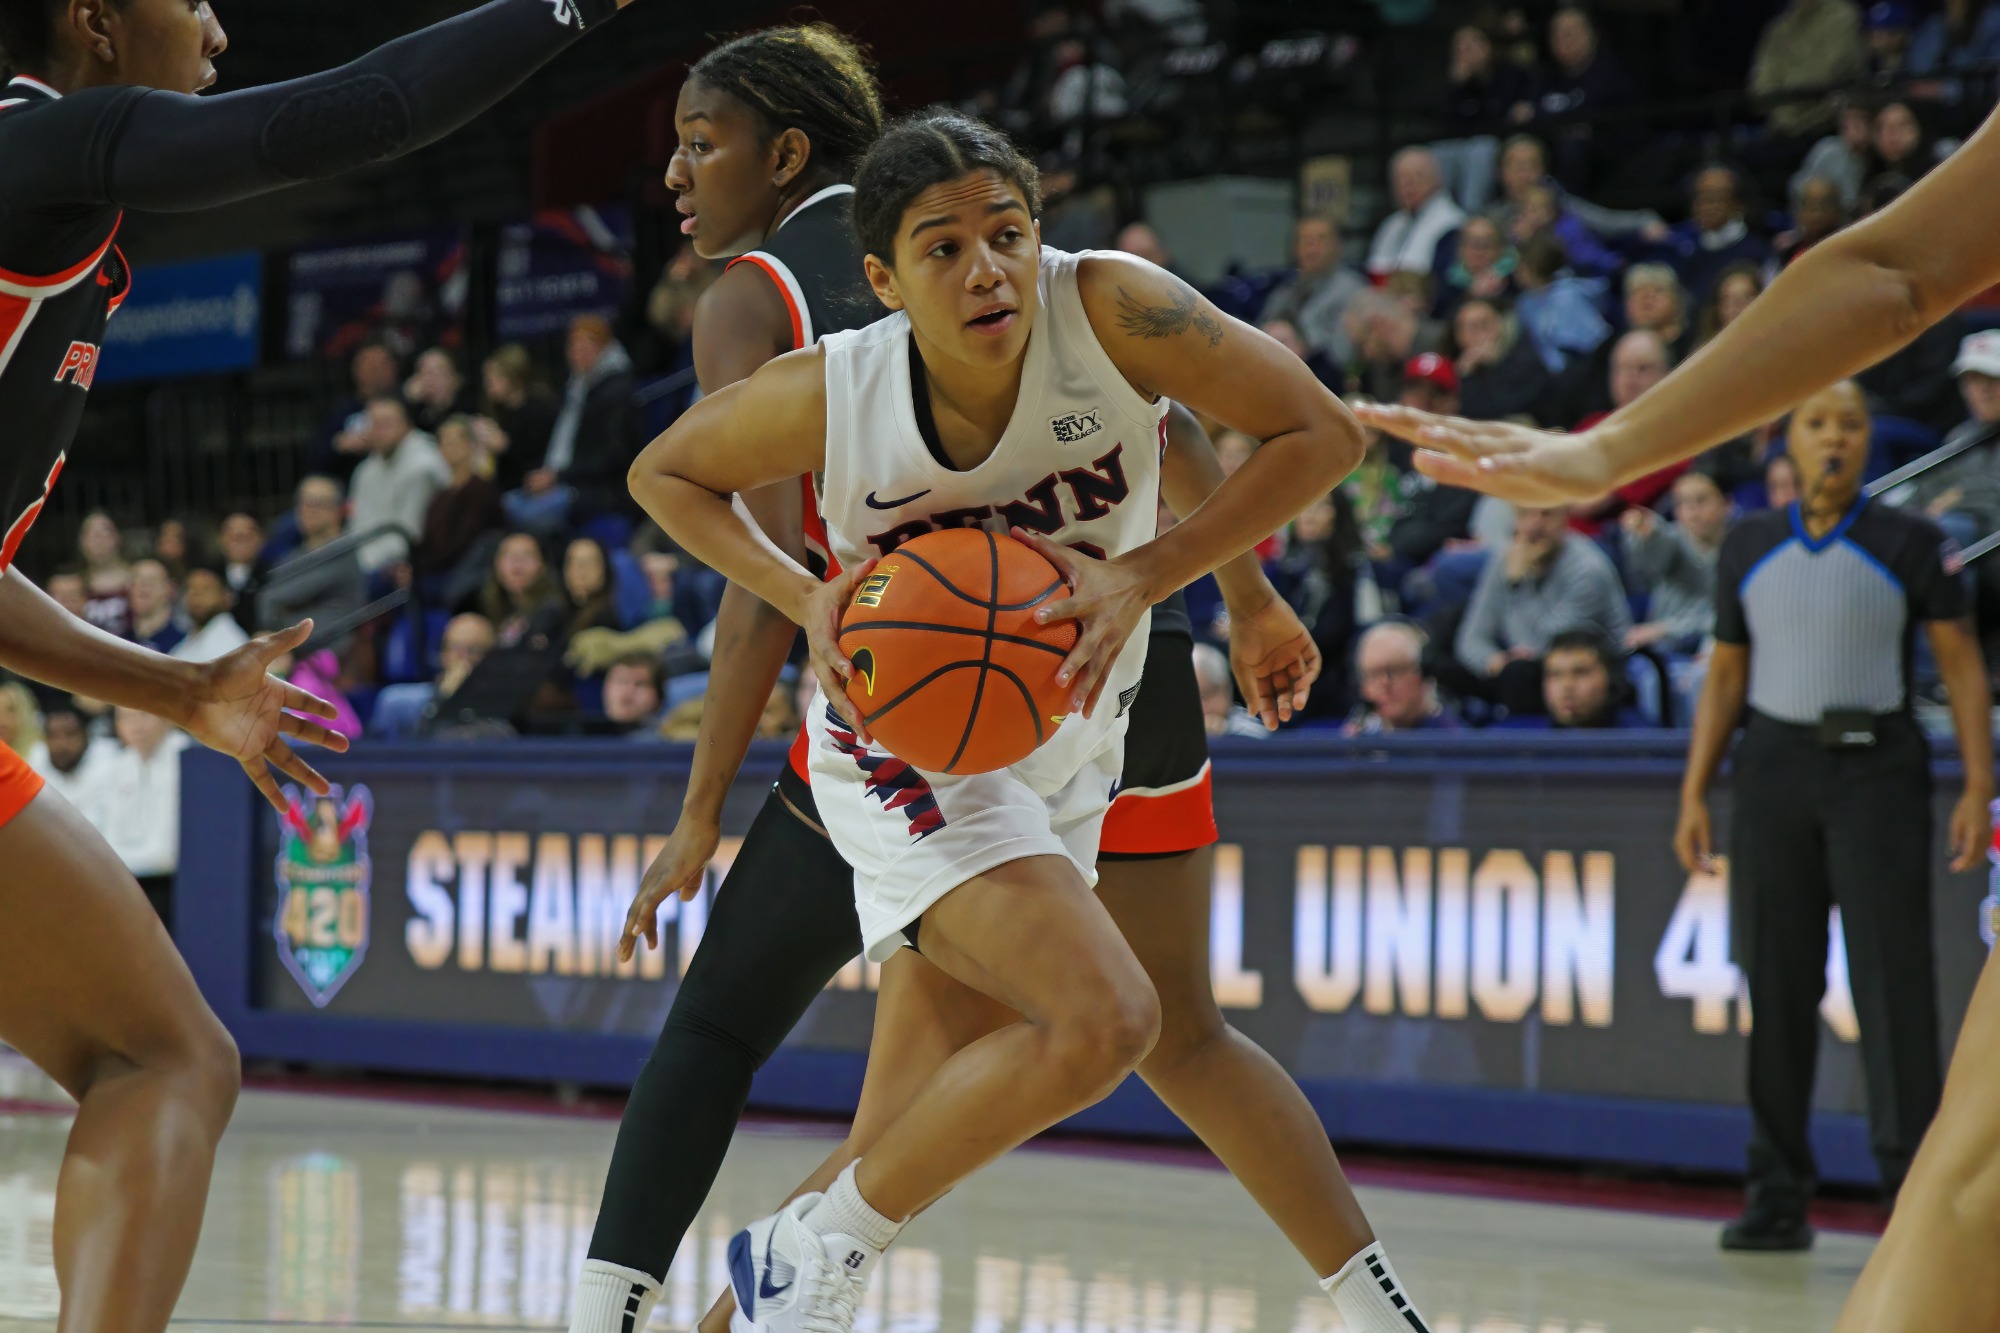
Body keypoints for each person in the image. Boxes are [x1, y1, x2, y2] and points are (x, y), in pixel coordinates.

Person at [573, 40, 1396, 1333]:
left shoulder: (1099, 306)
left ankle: (782, 1275)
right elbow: (682, 489)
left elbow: (1216, 427)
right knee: (1115, 1018)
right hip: (910, 718)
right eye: (948, 250)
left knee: (957, 1081)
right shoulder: (807, 344)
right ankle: (738, 1271)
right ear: (886, 278)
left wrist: (1193, 580)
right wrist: (803, 608)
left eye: (1006, 236)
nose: (986, 268)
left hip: (1084, 697)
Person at [1675, 380, 1992, 1250]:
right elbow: (1727, 677)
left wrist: (1975, 783)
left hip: (1878, 770)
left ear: (1866, 441)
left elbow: (1962, 670)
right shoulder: (1746, 544)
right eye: (1818, 424)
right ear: (1789, 441)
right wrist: (1695, 788)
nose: (1835, 440)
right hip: (1775, 768)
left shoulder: (1913, 541)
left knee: (1895, 986)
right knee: (1777, 984)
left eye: (1851, 424)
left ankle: (1912, 1197)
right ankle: (1776, 1192)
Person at [1454, 503, 1631, 712]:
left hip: (1592, 674)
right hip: (1526, 671)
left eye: (1546, 514)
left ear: (1565, 517)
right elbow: (1470, 639)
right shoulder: (1505, 559)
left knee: (1520, 674)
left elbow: (1542, 644)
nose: (1534, 524)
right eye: (1524, 514)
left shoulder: (1588, 569)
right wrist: (1494, 662)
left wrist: (1516, 584)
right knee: (1440, 664)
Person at [502, 315, 639, 535]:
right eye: (575, 345)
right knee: (505, 505)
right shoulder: (575, 388)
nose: (580, 352)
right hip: (565, 480)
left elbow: (613, 456)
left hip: (597, 490)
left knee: (524, 516)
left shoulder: (616, 392)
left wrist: (559, 476)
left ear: (604, 349)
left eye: (588, 345)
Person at [1622, 469, 1732, 652]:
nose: (1693, 512)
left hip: (1713, 645)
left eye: (1701, 500)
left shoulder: (1739, 550)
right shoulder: (1671, 540)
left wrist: (1667, 630)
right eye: (1683, 503)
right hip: (1667, 649)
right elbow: (1649, 558)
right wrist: (1645, 534)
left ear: (1726, 504)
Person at [100, 706, 189, 922]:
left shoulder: (185, 758)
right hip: (128, 879)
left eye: (145, 715)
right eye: (126, 717)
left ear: (167, 717)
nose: (136, 725)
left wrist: (113, 864)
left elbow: (165, 855)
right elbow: (108, 837)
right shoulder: (117, 765)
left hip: (174, 884)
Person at [348, 395, 449, 573]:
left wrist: (363, 568)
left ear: (406, 425)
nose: (377, 430)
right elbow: (357, 525)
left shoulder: (423, 466)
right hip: (361, 561)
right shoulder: (366, 469)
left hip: (402, 565)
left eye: (385, 423)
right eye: (373, 423)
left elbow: (409, 535)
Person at [410, 414, 507, 596]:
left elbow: (468, 542)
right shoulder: (440, 495)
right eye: (444, 442)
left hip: (462, 572)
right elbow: (427, 539)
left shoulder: (482, 491)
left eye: (454, 441)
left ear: (471, 445)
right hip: (434, 570)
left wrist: (423, 567)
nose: (448, 448)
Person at [257, 476, 366, 635]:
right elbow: (269, 598)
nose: (308, 509)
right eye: (303, 502)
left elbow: (275, 597)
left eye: (318, 503)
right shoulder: (294, 554)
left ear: (337, 510)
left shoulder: (343, 551)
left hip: (333, 649)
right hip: (295, 645)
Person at [1749, 0, 1865, 142]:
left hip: (1826, 127)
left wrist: (1784, 94)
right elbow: (1760, 85)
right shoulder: (1779, 28)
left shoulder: (1842, 16)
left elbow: (1824, 75)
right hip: (1780, 128)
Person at [369, 611, 497, 740]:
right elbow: (423, 738)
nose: (462, 658)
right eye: (455, 648)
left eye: (473, 650)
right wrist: (442, 698)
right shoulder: (401, 704)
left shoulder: (501, 700)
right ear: (443, 655)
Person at [1258, 215, 1365, 363]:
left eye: (1321, 239)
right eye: (1305, 240)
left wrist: (1301, 343)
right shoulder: (1285, 291)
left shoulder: (1353, 291)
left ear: (1338, 245)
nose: (1311, 247)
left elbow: (1344, 353)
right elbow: (1259, 335)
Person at [1659, 165, 1771, 303]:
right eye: (1700, 197)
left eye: (1716, 197)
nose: (1707, 205)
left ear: (1738, 203)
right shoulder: (1688, 253)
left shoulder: (1758, 252)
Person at [1512, 231, 1609, 373]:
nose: (1516, 270)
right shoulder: (1525, 303)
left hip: (1579, 373)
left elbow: (1592, 345)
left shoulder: (1568, 298)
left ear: (1533, 267)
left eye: (1522, 264)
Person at [1446, 296, 1550, 423]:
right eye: (1469, 327)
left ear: (1500, 326)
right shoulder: (1451, 363)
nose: (1478, 333)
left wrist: (1486, 369)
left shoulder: (1526, 362)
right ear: (1458, 336)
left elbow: (1499, 413)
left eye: (1484, 325)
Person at [1366, 146, 1466, 278]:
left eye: (1418, 176)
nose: (1408, 184)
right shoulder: (1392, 223)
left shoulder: (1452, 223)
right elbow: (1374, 268)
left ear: (1437, 179)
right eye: (1401, 178)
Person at [1344, 620, 1460, 733]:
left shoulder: (1450, 739)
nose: (1384, 684)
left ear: (1423, 673)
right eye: (1373, 674)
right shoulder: (1362, 737)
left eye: (1394, 671)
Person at [1525, 627, 1647, 728]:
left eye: (1581, 673)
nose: (1567, 686)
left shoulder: (1643, 744)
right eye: (1555, 675)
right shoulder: (1524, 743)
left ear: (1610, 679)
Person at [480, 343, 559, 492]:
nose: (488, 384)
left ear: (513, 377)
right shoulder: (499, 411)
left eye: (494, 378)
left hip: (531, 490)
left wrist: (505, 447)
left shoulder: (539, 409)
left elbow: (537, 461)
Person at [473, 531, 566, 649]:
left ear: (543, 565)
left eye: (527, 555)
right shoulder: (489, 609)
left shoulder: (553, 611)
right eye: (508, 555)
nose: (517, 564)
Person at [26, 702, 110, 828]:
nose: (61, 744)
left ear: (86, 735)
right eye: (53, 736)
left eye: (70, 734)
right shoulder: (37, 759)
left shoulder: (109, 762)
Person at [1790, 98, 1874, 213]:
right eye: (1849, 119)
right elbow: (1798, 188)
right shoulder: (1828, 150)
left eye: (1861, 119)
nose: (1855, 125)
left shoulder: (1878, 155)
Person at [171, 563, 251, 664]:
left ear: (226, 597)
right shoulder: (193, 636)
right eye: (190, 588)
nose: (195, 595)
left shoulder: (228, 642)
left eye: (206, 589)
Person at [217, 511, 268, 634]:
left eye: (247, 536)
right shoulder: (208, 575)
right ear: (220, 539)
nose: (240, 541)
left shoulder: (272, 573)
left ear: (260, 539)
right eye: (234, 536)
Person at [403, 346, 470, 434]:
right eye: (423, 374)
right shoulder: (419, 410)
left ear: (456, 379)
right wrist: (407, 401)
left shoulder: (468, 410)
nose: (429, 381)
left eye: (435, 373)